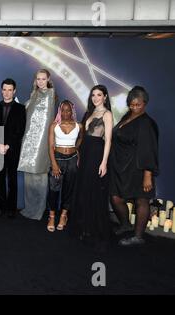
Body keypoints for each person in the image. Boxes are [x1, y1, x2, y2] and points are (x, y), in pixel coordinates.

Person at [110, 86, 159, 246]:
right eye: (131, 104)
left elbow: (149, 150)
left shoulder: (146, 123)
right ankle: (125, 225)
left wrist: (147, 174)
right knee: (115, 197)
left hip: (138, 167)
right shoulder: (127, 116)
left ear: (145, 103)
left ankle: (138, 236)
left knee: (141, 200)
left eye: (138, 105)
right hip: (122, 166)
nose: (134, 107)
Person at [69, 85, 113, 251]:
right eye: (93, 95)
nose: (95, 98)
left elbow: (108, 140)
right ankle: (84, 228)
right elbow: (82, 138)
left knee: (93, 191)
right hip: (86, 154)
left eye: (99, 95)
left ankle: (93, 230)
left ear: (105, 97)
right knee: (83, 191)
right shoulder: (89, 113)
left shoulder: (107, 114)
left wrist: (104, 162)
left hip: (96, 155)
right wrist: (80, 156)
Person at [17, 69, 56, 220]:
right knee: (29, 176)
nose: (40, 81)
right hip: (28, 141)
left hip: (42, 142)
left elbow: (48, 121)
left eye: (43, 79)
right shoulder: (34, 94)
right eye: (38, 79)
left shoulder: (51, 95)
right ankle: (29, 208)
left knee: (40, 176)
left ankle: (38, 211)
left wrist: (45, 144)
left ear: (48, 79)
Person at [0, 78, 26, 218]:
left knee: (12, 180)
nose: (7, 93)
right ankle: (1, 207)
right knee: (0, 179)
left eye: (9, 90)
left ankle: (11, 208)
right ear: (1, 91)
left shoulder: (20, 108)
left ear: (14, 91)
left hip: (12, 149)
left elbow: (20, 130)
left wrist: (8, 145)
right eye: (4, 90)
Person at [47, 100, 82, 232]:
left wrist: (76, 149)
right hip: (58, 159)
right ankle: (51, 216)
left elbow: (81, 139)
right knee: (53, 190)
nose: (66, 113)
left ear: (72, 111)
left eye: (68, 110)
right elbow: (50, 146)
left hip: (72, 160)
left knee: (69, 189)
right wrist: (54, 164)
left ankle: (63, 216)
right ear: (59, 111)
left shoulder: (79, 125)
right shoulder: (54, 125)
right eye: (63, 110)